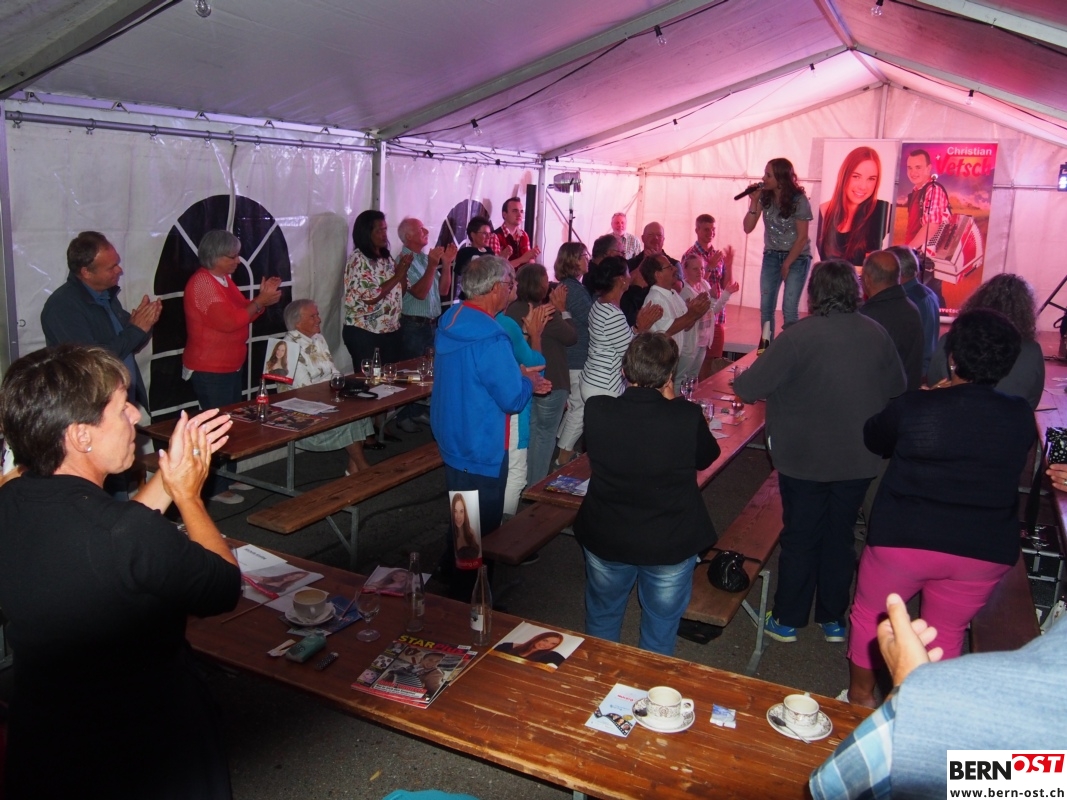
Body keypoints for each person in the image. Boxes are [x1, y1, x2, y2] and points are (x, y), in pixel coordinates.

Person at [0, 344, 241, 799]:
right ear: (80, 436)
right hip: (140, 745)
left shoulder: (13, 501)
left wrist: (169, 475)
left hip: (45, 736)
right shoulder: (123, 533)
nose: (136, 415)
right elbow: (222, 586)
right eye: (121, 406)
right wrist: (188, 496)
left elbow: (114, 534)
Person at [844, 309, 1035, 707]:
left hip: (904, 539)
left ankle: (860, 698)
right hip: (982, 549)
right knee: (945, 632)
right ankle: (921, 710)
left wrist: (929, 398)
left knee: (874, 616)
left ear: (952, 359)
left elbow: (874, 437)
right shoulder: (1020, 415)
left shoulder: (917, 406)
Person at [733, 260, 905, 645]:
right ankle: (833, 618)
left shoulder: (798, 336)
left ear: (814, 293)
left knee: (801, 534)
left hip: (803, 458)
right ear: (855, 291)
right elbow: (897, 386)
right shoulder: (876, 333)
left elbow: (748, 389)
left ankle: (788, 618)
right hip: (859, 456)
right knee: (840, 536)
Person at [811, 592, 1067, 799]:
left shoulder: (947, 706)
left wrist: (912, 691)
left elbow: (833, 785)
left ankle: (860, 699)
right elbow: (1040, 779)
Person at [575, 333, 720, 656]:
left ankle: (597, 675)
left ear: (624, 371)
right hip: (669, 540)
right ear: (670, 376)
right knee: (660, 629)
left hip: (607, 532)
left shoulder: (597, 409)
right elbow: (707, 456)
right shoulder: (685, 416)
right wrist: (674, 401)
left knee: (603, 615)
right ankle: (649, 683)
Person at [431, 256, 550, 596]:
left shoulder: (452, 318)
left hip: (454, 431)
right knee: (481, 527)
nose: (512, 291)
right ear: (496, 288)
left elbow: (477, 375)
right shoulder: (491, 337)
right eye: (510, 285)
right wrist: (527, 381)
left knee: (463, 512)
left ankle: (451, 573)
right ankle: (471, 596)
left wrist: (517, 374)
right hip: (481, 440)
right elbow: (512, 400)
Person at [183, 229, 283, 503]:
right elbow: (229, 322)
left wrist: (262, 298)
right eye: (232, 256)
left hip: (228, 365)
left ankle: (228, 476)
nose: (238, 261)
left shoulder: (222, 279)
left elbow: (245, 312)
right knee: (216, 427)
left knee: (229, 423)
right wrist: (260, 302)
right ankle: (216, 487)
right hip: (209, 367)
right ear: (215, 256)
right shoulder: (202, 284)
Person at [42, 231, 161, 409]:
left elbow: (129, 345)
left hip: (117, 398)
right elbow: (91, 360)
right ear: (86, 272)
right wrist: (136, 329)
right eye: (111, 267)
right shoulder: (62, 307)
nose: (119, 270)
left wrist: (145, 324)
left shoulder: (105, 295)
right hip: (93, 404)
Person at [279, 300, 374, 475]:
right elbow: (303, 390)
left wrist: (347, 387)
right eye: (313, 316)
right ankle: (363, 469)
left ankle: (353, 469)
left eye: (317, 315)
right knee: (349, 417)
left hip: (325, 397)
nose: (319, 319)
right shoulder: (287, 347)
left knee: (362, 408)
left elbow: (333, 372)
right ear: (297, 323)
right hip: (301, 407)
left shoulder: (318, 339)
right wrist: (337, 396)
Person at [927, 273, 1044, 409]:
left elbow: (934, 382)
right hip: (1008, 418)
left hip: (949, 414)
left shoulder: (950, 340)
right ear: (1026, 312)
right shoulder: (1032, 351)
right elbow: (1031, 402)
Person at [506, 262, 576, 485]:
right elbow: (571, 337)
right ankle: (535, 485)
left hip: (523, 379)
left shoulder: (511, 310)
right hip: (551, 381)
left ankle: (522, 480)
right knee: (544, 436)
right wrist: (563, 310)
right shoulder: (547, 312)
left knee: (529, 433)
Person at [742, 158, 814, 340]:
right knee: (766, 307)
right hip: (772, 255)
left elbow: (802, 237)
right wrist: (754, 202)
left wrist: (787, 264)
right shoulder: (765, 197)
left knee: (789, 308)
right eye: (764, 174)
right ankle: (766, 349)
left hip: (797, 256)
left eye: (768, 175)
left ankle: (790, 351)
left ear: (781, 179)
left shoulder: (799, 200)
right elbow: (747, 228)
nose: (763, 178)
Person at [578, 257, 662, 402]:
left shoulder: (599, 304)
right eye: (628, 273)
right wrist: (641, 327)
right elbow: (630, 354)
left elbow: (620, 339)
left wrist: (637, 328)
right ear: (621, 280)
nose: (631, 276)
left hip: (594, 380)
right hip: (604, 386)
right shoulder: (612, 313)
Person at [858, 250, 924, 391]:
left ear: (867, 279)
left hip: (881, 400)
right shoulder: (912, 309)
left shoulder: (868, 317)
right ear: (898, 277)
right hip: (908, 398)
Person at [641, 255, 711, 383]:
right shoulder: (656, 298)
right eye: (669, 267)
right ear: (658, 275)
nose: (674, 269)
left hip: (675, 358)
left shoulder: (672, 294)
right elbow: (666, 330)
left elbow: (686, 326)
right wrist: (692, 314)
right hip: (661, 362)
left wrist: (696, 312)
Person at [555, 242, 595, 467]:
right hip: (577, 358)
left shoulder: (570, 287)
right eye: (583, 255)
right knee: (580, 407)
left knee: (574, 406)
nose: (587, 259)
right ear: (573, 260)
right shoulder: (574, 290)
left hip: (571, 357)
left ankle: (562, 448)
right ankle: (563, 456)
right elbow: (592, 320)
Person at [816, 146, 889, 266]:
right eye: (856, 176)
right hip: (826, 277)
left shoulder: (881, 210)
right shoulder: (822, 211)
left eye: (871, 179)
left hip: (862, 278)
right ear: (844, 175)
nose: (863, 186)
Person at [397, 217, 456, 359]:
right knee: (413, 369)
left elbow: (443, 291)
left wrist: (447, 263)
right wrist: (432, 266)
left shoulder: (425, 258)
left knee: (432, 369)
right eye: (420, 229)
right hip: (413, 327)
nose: (426, 231)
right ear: (408, 236)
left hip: (432, 325)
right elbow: (420, 293)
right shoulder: (402, 260)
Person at [681, 214, 735, 362]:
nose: (710, 233)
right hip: (697, 319)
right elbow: (689, 286)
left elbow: (726, 286)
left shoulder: (717, 255)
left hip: (716, 316)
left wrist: (729, 265)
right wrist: (709, 267)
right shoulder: (690, 255)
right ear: (697, 230)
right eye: (706, 229)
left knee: (713, 362)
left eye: (713, 229)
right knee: (693, 363)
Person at [889, 244, 940, 378]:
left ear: (897, 271)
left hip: (910, 373)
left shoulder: (908, 299)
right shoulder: (928, 294)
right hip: (922, 371)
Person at [903, 148, 951, 247]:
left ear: (928, 168)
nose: (913, 172)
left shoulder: (933, 190)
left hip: (923, 253)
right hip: (915, 251)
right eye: (910, 168)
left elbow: (931, 227)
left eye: (918, 167)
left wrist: (908, 250)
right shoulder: (917, 190)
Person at [489, 197, 541, 268]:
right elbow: (495, 268)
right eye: (515, 211)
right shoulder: (495, 236)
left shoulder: (524, 235)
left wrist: (532, 257)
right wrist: (522, 259)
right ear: (504, 214)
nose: (519, 215)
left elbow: (528, 260)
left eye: (521, 211)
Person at [453, 215, 495, 301]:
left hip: (488, 296)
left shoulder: (490, 252)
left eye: (489, 234)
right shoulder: (465, 252)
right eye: (484, 233)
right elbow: (460, 272)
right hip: (470, 296)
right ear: (473, 235)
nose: (488, 237)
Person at [626, 221, 679, 285]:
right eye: (650, 234)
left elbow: (678, 288)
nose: (655, 238)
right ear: (643, 238)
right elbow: (624, 284)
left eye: (659, 235)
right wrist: (644, 263)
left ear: (663, 239)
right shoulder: (630, 264)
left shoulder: (674, 264)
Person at [494, 631, 566, 666]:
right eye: (545, 640)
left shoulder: (553, 655)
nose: (546, 645)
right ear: (537, 638)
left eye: (553, 644)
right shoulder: (507, 646)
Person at [451, 492, 481, 563]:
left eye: (461, 511)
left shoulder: (471, 532)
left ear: (465, 513)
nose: (458, 516)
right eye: (455, 511)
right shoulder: (452, 536)